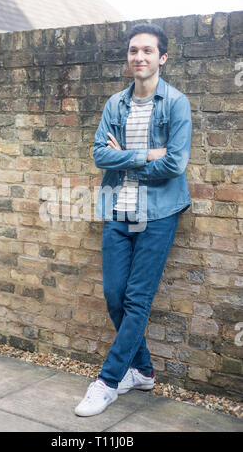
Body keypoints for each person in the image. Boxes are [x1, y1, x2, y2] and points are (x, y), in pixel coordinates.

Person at [75, 23, 192, 417]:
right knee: (114, 296)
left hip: (158, 214)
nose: (138, 57)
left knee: (136, 299)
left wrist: (125, 154)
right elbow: (99, 155)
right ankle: (141, 369)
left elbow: (175, 162)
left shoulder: (176, 104)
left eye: (146, 51)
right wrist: (144, 155)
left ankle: (107, 381)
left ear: (162, 58)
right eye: (132, 51)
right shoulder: (115, 105)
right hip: (117, 210)